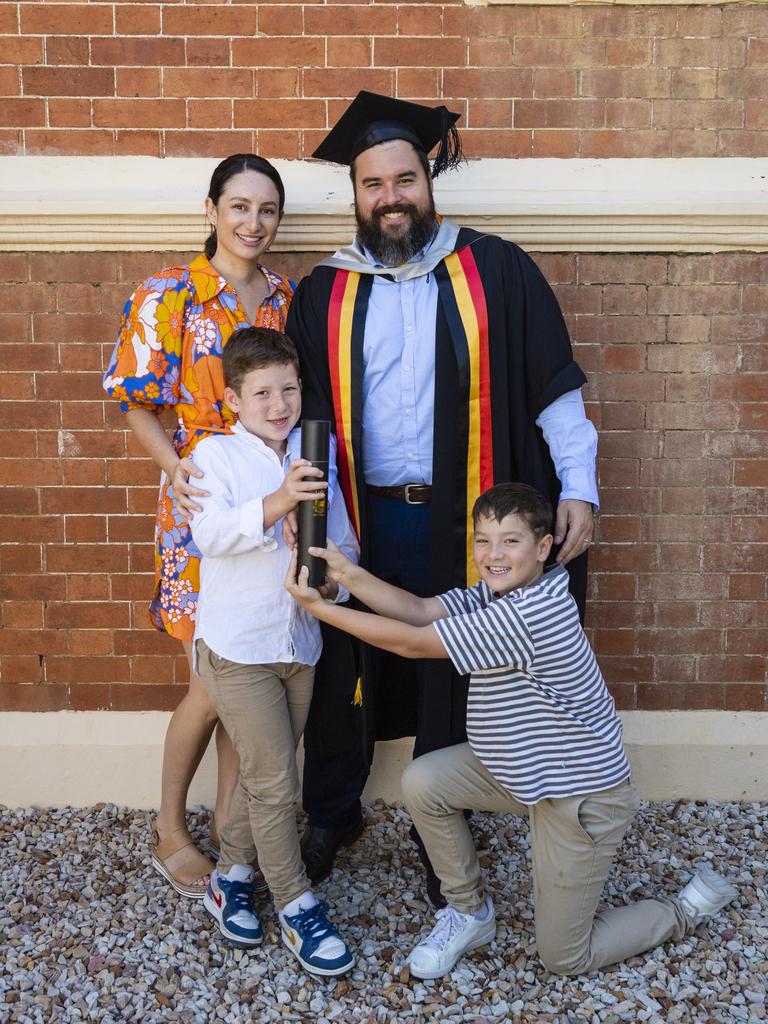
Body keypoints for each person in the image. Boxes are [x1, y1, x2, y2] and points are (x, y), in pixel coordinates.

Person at [285, 92, 599, 896]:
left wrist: (581, 489)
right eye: (372, 184)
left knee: (454, 672)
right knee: (341, 657)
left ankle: (441, 835)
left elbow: (555, 393)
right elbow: (296, 421)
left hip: (467, 517)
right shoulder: (323, 293)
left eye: (404, 179)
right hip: (363, 507)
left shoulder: (497, 269)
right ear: (355, 196)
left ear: (428, 179)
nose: (390, 197)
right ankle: (331, 811)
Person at [285, 482, 738, 979]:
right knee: (424, 781)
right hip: (518, 766)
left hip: (580, 794)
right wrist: (347, 573)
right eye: (483, 540)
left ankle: (681, 912)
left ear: (544, 547)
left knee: (566, 957)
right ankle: (468, 911)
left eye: (510, 541)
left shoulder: (532, 612)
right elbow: (420, 610)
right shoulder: (501, 592)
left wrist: (324, 611)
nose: (493, 555)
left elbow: (415, 643)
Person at [103, 154, 295, 898]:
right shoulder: (169, 293)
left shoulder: (282, 296)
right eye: (239, 206)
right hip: (200, 501)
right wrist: (173, 468)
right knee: (213, 683)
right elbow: (136, 401)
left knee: (249, 667)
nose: (253, 223)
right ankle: (169, 829)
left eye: (267, 210)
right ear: (212, 208)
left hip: (268, 498)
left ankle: (229, 827)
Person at [189, 327, 356, 976]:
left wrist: (336, 581)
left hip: (300, 643)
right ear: (234, 399)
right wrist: (278, 502)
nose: (279, 403)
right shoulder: (215, 456)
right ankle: (295, 905)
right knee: (277, 780)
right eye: (262, 393)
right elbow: (209, 535)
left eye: (289, 389)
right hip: (239, 647)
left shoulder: (318, 453)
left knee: (270, 773)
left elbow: (342, 545)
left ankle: (229, 877)